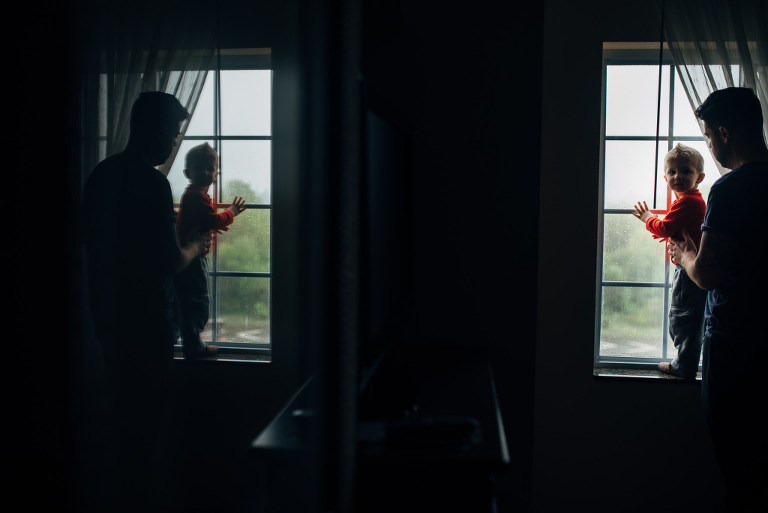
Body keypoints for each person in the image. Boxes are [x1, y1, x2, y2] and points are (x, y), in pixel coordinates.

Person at [81, 91, 210, 512]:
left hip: (108, 321)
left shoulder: (101, 175)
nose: (174, 143)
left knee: (117, 431)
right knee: (146, 435)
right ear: (153, 131)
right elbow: (168, 260)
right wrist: (193, 247)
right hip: (149, 325)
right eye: (172, 135)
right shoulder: (152, 183)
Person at [668, 87, 768, 512]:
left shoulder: (731, 190)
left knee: (739, 471)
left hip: (734, 344)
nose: (709, 145)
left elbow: (708, 274)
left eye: (708, 137)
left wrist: (686, 255)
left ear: (724, 133)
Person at [632, 144, 707, 380]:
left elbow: (665, 227)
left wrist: (648, 218)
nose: (678, 177)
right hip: (690, 265)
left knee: (684, 314)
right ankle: (685, 361)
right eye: (672, 172)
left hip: (688, 267)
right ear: (665, 177)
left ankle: (684, 365)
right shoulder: (690, 200)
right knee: (688, 314)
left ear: (699, 177)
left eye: (685, 171)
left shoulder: (689, 202)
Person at [174, 142, 246, 359]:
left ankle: (192, 341)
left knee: (194, 299)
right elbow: (213, 219)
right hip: (191, 258)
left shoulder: (197, 195)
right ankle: (193, 345)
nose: (205, 172)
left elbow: (205, 220)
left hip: (192, 256)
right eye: (199, 168)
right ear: (187, 173)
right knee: (196, 300)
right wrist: (231, 212)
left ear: (216, 174)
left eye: (210, 168)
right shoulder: (196, 195)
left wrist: (211, 224)